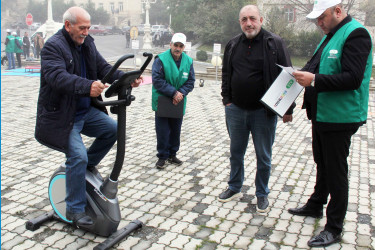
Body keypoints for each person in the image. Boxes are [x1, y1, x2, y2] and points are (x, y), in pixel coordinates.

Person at [35, 6, 143, 227]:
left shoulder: (87, 44)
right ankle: (74, 209)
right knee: (78, 156)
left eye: (88, 27)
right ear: (68, 25)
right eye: (82, 28)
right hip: (63, 117)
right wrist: (88, 86)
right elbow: (58, 77)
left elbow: (103, 67)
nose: (86, 32)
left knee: (112, 131)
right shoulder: (53, 48)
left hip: (85, 111)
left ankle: (83, 171)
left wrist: (126, 77)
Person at [288, 0, 373, 247]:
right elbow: (315, 66)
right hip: (322, 113)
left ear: (338, 11)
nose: (319, 23)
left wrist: (313, 79)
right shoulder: (330, 34)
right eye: (316, 20)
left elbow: (353, 78)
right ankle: (316, 204)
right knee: (321, 161)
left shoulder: (357, 34)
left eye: (322, 17)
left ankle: (334, 226)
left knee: (336, 171)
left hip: (340, 115)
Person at [219, 5, 294, 213]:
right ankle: (234, 187)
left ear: (261, 20)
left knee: (263, 156)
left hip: (264, 112)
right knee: (235, 153)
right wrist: (227, 99)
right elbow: (226, 73)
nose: (248, 23)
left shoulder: (274, 43)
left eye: (252, 18)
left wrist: (288, 108)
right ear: (240, 22)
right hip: (236, 110)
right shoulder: (233, 44)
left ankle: (261, 193)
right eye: (244, 19)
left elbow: (289, 77)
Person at [151, 33, 195, 169]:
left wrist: (180, 93)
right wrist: (173, 92)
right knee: (163, 130)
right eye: (175, 45)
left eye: (181, 46)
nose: (178, 48)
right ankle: (162, 156)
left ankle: (172, 154)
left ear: (184, 47)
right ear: (170, 44)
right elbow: (157, 80)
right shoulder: (160, 59)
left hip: (179, 100)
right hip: (163, 99)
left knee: (176, 129)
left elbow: (191, 81)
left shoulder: (188, 61)